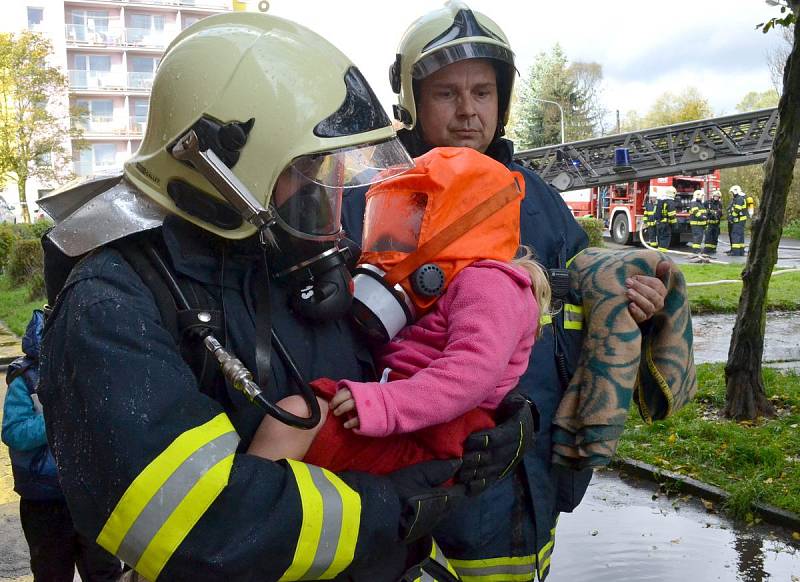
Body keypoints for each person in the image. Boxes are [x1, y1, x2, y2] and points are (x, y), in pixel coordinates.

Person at [36, 13, 534, 582]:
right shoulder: (112, 303)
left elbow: (408, 358)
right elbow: (198, 528)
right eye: (305, 167)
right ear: (222, 167)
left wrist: (494, 408)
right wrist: (388, 505)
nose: (322, 187)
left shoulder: (283, 257)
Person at [341, 3, 669, 580]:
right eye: (447, 93)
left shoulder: (538, 203)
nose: (469, 111)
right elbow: (344, 344)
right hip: (421, 490)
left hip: (528, 487)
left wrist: (632, 309)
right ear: (412, 101)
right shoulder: (380, 200)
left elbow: (572, 333)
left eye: (483, 92)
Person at [249, 147, 548, 476]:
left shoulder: (488, 283)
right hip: (410, 418)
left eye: (411, 222)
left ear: (459, 220)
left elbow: (471, 373)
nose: (392, 238)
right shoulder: (450, 283)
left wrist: (386, 404)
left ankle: (240, 515)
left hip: (434, 436)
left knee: (295, 418)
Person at [2, 310, 122, 582]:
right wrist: (56, 417)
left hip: (89, 494)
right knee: (52, 572)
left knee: (104, 570)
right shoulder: (25, 380)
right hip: (44, 500)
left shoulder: (88, 373)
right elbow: (13, 432)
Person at [653, 186, 677, 251]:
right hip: (665, 225)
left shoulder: (660, 201)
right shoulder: (670, 202)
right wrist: (675, 225)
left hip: (659, 223)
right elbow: (672, 215)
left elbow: (655, 213)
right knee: (665, 239)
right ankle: (662, 255)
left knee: (660, 239)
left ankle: (659, 254)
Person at [727, 184, 748, 256]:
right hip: (740, 220)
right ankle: (741, 251)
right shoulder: (740, 198)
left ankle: (735, 252)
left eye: (732, 192)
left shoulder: (739, 199)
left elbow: (737, 210)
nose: (732, 194)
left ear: (736, 191)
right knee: (740, 235)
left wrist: (731, 217)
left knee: (735, 235)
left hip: (738, 220)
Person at [704, 189, 723, 254]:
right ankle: (707, 250)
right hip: (709, 223)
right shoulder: (707, 203)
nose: (716, 197)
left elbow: (720, 214)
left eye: (717, 196)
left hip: (716, 224)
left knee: (715, 237)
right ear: (713, 196)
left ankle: (713, 249)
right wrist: (708, 213)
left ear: (719, 197)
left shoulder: (720, 204)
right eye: (715, 196)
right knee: (708, 237)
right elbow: (703, 210)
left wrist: (718, 214)